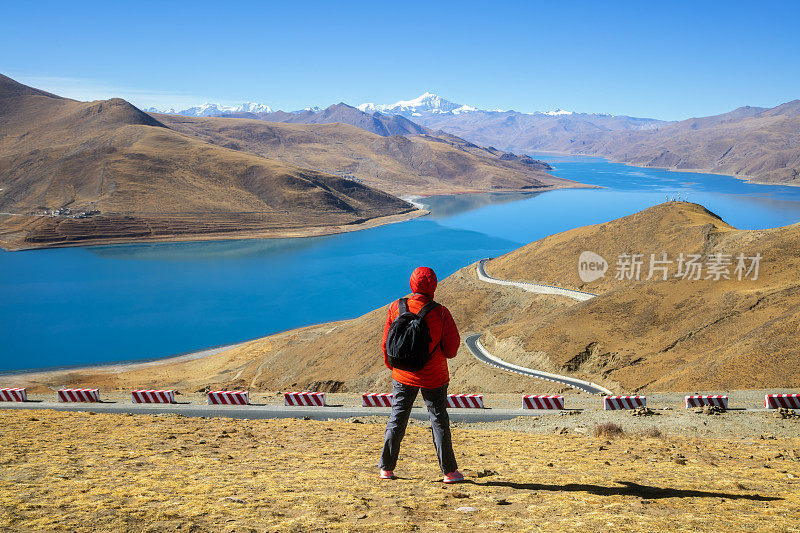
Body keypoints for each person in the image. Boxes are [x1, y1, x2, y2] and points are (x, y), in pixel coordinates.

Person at [379, 266, 463, 483]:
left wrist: (395, 367)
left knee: (397, 418)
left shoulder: (396, 307)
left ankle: (386, 468)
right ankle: (449, 472)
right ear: (434, 285)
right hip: (433, 377)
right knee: (439, 421)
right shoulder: (441, 313)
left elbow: (387, 344)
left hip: (402, 375)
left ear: (411, 284)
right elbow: (452, 350)